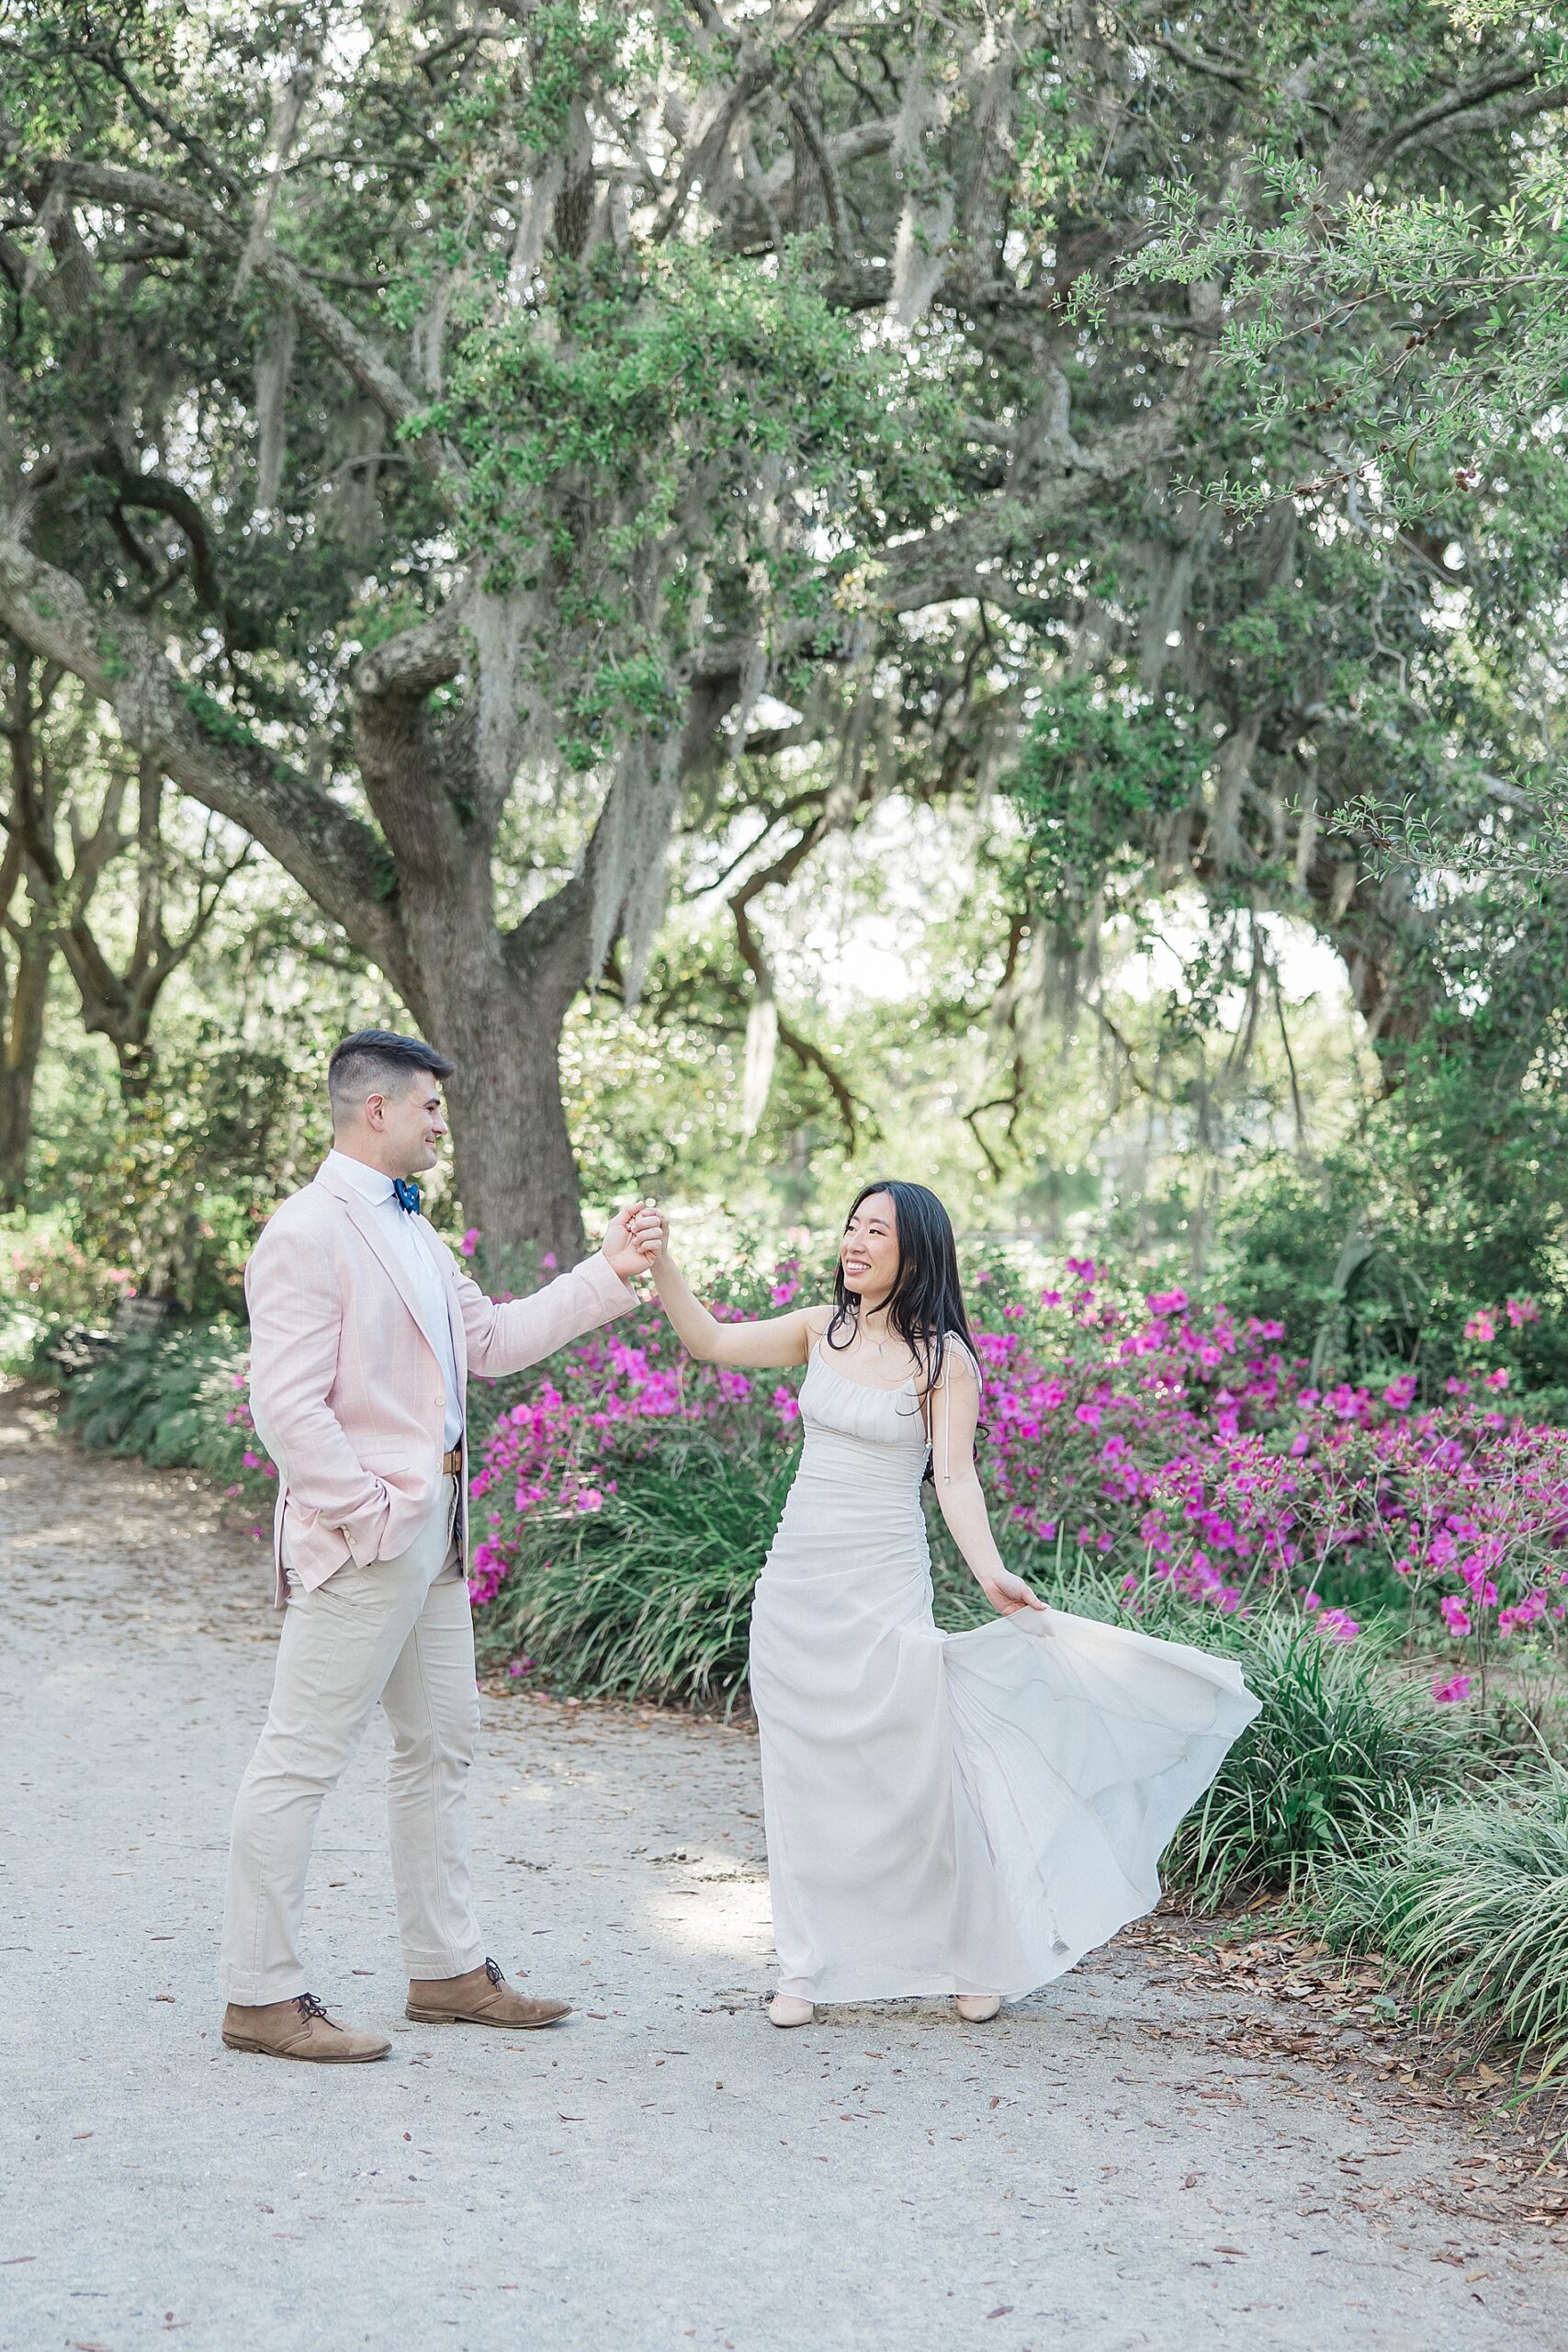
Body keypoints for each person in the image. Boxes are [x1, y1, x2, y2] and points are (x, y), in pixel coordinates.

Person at [646, 1179, 1260, 2028]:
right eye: (851, 1227)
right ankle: (806, 1965)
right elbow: (708, 1340)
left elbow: (955, 1475)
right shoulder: (816, 1331)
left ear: (915, 1252)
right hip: (798, 1585)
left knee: (918, 1774)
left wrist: (990, 1573)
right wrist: (662, 1260)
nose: (854, 1244)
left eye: (877, 1233)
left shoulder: (944, 1359)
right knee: (800, 1776)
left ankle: (974, 1954)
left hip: (883, 1582)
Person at [220, 1028, 662, 2063]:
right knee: (300, 1759)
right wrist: (373, 1510)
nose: (439, 1124)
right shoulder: (306, 1231)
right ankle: (260, 1993)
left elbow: (493, 1341)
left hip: (434, 1545)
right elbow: (285, 1406)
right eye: (429, 1106)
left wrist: (611, 1268)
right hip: (368, 1540)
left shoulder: (415, 1231)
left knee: (442, 1742)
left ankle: (447, 1970)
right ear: (375, 1109)